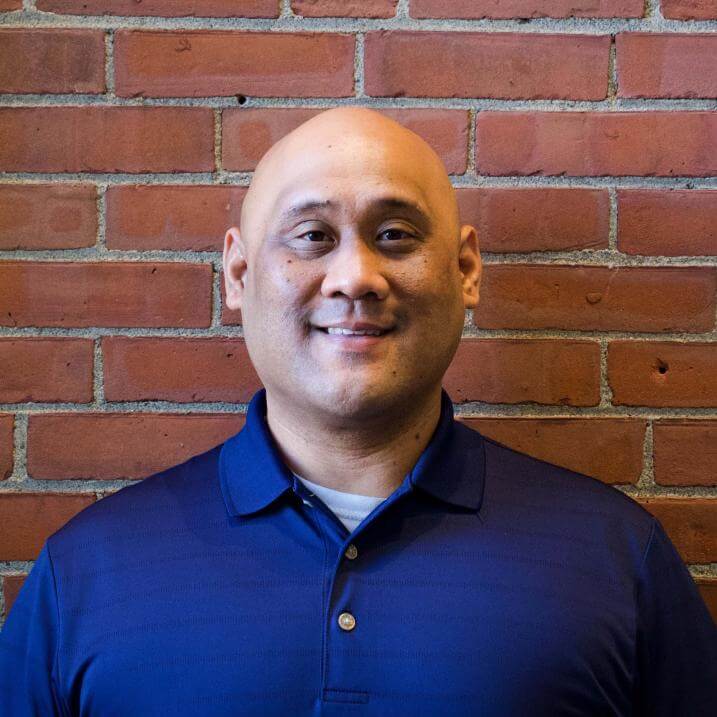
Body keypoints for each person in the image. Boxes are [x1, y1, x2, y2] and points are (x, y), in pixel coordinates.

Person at [0, 106, 714, 716]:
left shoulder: (617, 560)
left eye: (396, 235)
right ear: (239, 275)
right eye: (311, 236)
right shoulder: (86, 574)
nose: (354, 278)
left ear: (465, 271)